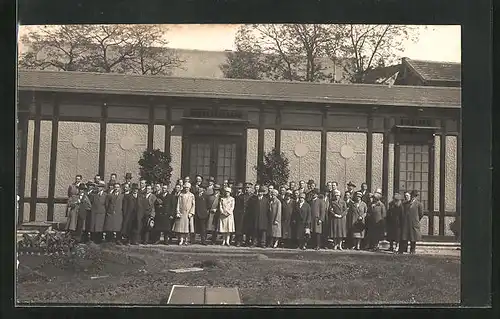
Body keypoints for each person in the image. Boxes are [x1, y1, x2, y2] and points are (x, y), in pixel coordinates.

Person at [399, 190, 424, 254]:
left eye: (415, 196)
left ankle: (412, 250)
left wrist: (416, 219)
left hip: (414, 223)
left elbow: (421, 214)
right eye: (413, 196)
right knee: (406, 236)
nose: (413, 197)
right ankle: (404, 249)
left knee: (413, 237)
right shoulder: (406, 203)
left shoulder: (419, 204)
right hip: (407, 223)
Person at [239, 182, 254, 246]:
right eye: (246, 188)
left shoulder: (254, 197)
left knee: (249, 228)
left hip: (250, 215)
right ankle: (239, 241)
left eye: (248, 188)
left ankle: (247, 241)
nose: (247, 189)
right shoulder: (241, 196)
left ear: (251, 188)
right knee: (241, 228)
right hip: (242, 214)